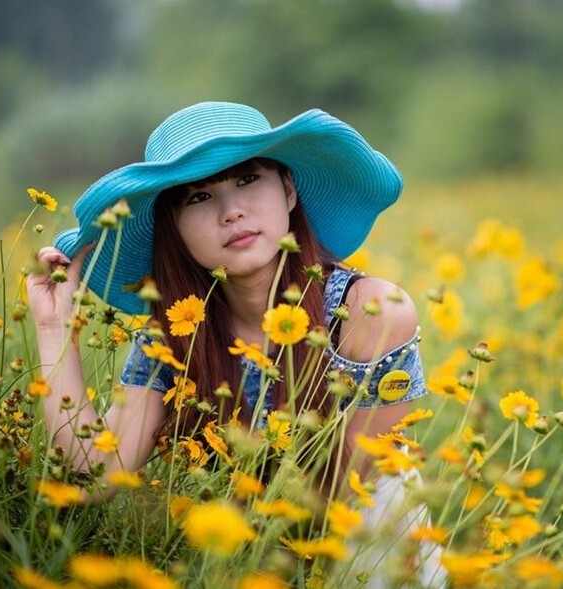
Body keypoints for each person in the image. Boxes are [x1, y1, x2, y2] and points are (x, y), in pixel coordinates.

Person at [27, 102, 444, 585]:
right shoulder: (174, 335)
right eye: (199, 197)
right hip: (237, 555)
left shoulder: (367, 312)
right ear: (174, 229)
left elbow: (355, 491)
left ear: (289, 191)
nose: (232, 212)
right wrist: (54, 329)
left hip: (353, 547)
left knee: (393, 488)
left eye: (247, 180)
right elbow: (95, 473)